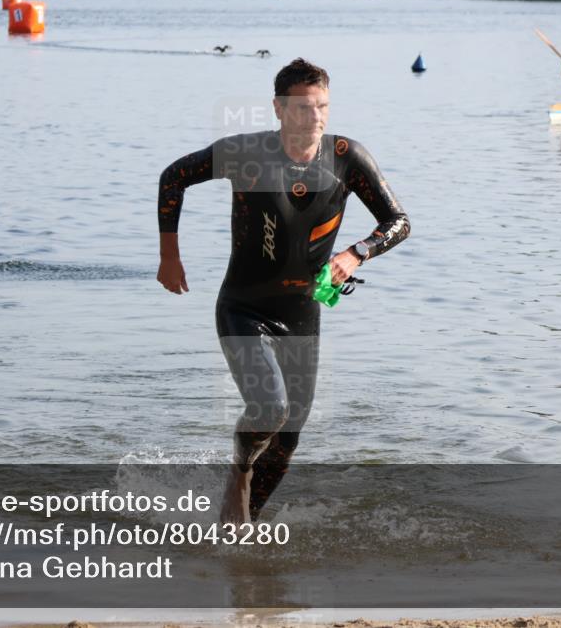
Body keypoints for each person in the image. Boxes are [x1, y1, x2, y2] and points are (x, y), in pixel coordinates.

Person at [156, 58, 410, 524]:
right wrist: (170, 255)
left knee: (289, 434)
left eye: (323, 107)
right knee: (269, 406)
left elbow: (398, 222)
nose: (315, 118)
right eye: (303, 108)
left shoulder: (346, 157)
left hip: (302, 315)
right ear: (278, 109)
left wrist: (357, 253)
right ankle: (238, 474)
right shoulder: (245, 154)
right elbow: (174, 177)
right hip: (244, 308)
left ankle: (240, 527)